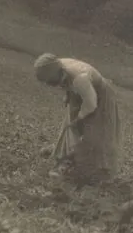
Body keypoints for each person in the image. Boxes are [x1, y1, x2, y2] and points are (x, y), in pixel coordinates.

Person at [33, 53, 123, 185]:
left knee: (96, 133)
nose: (50, 84)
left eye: (50, 81)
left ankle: (100, 172)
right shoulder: (58, 65)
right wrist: (68, 97)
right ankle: (67, 159)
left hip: (100, 97)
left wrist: (79, 117)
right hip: (81, 92)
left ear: (58, 73)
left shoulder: (79, 78)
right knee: (71, 128)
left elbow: (91, 104)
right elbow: (67, 84)